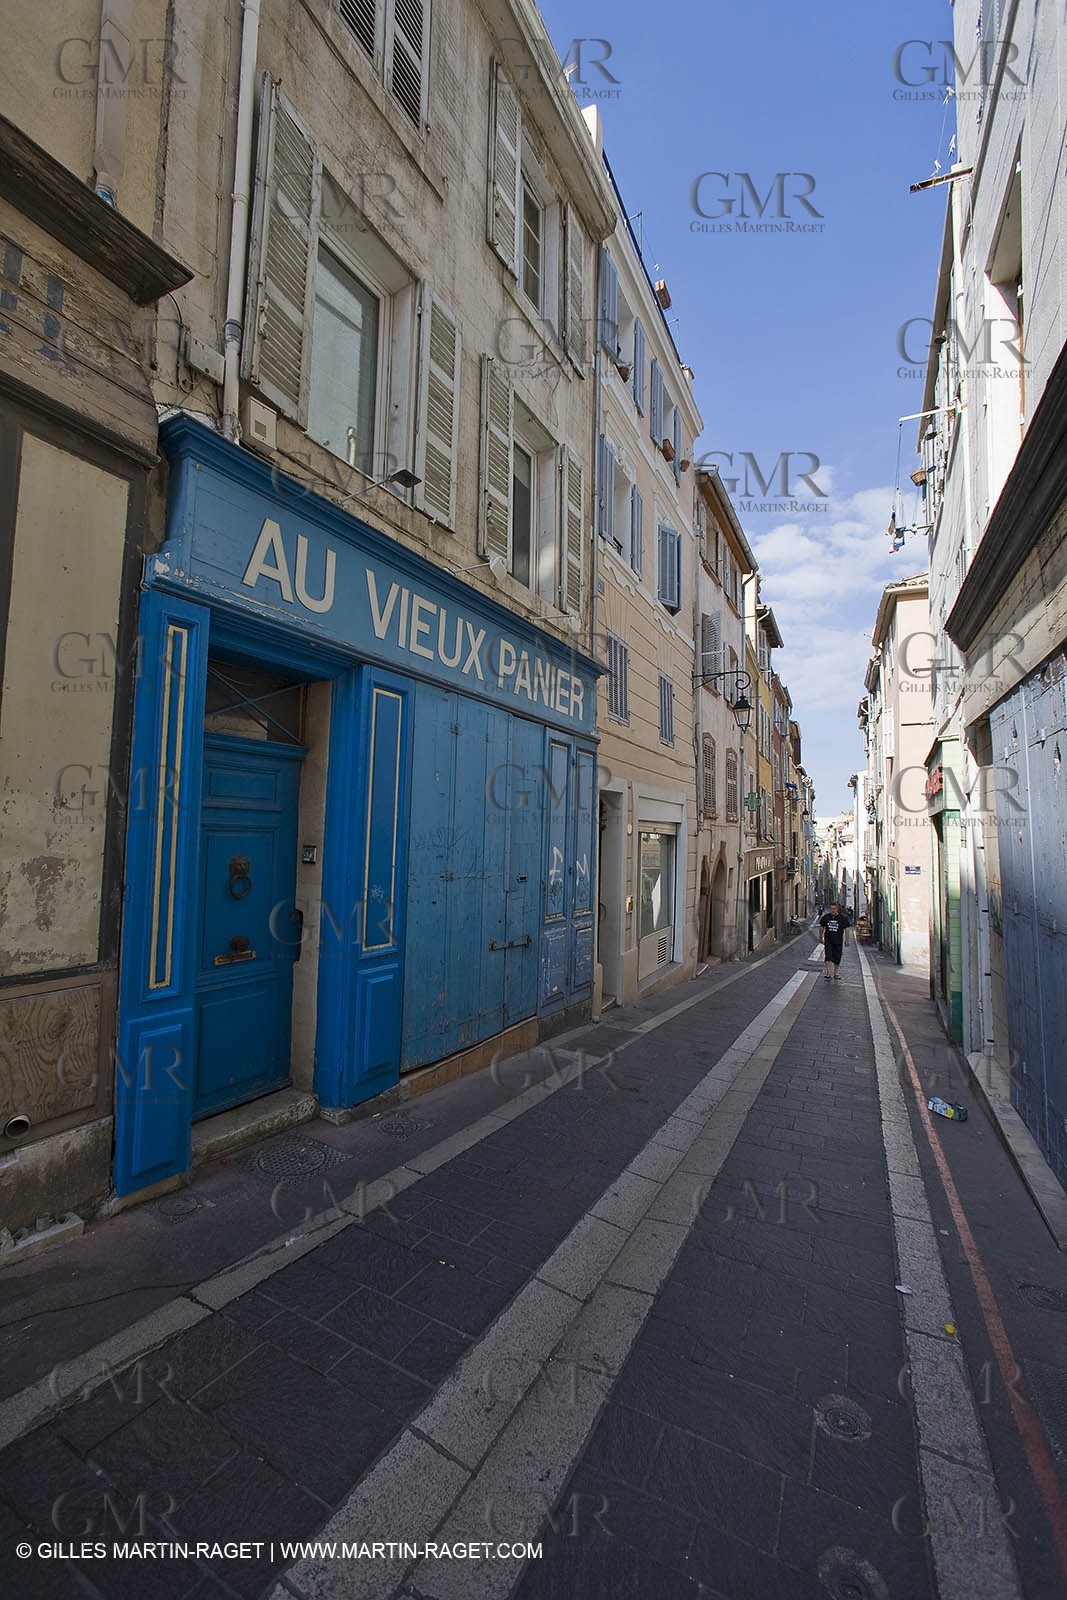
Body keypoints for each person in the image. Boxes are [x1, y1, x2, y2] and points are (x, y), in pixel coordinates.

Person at [818, 902, 852, 980]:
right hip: (828, 940)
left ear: (837, 909)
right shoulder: (826, 917)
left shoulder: (842, 918)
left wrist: (847, 940)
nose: (833, 910)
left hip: (838, 941)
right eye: (831, 909)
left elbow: (847, 929)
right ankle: (828, 973)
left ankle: (836, 973)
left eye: (834, 909)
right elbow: (821, 927)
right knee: (828, 956)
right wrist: (820, 937)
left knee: (837, 957)